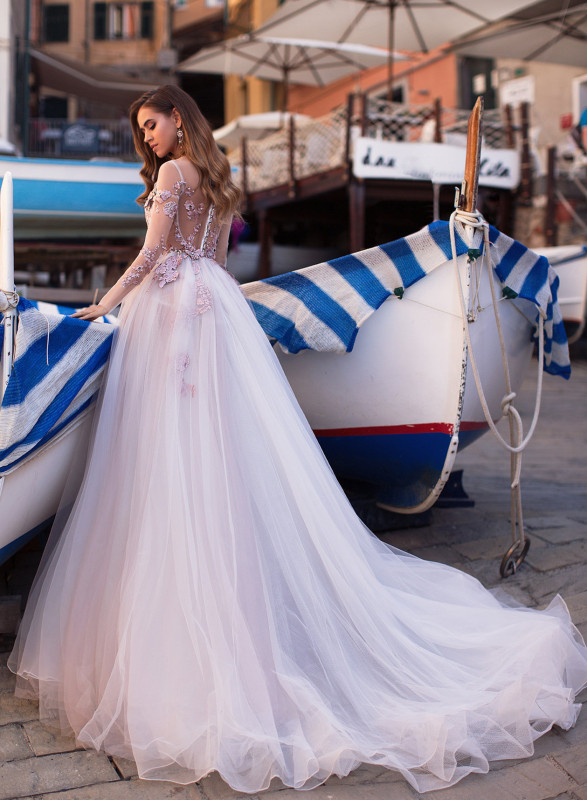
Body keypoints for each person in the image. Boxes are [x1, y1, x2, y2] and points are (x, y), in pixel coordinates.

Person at [7, 85, 587, 795]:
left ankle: (186, 618)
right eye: (142, 129)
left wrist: (103, 304)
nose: (148, 138)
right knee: (216, 454)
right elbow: (210, 260)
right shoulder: (220, 180)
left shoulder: (170, 175)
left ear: (178, 121)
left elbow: (153, 257)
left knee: (162, 461)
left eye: (152, 124)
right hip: (215, 313)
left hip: (171, 320)